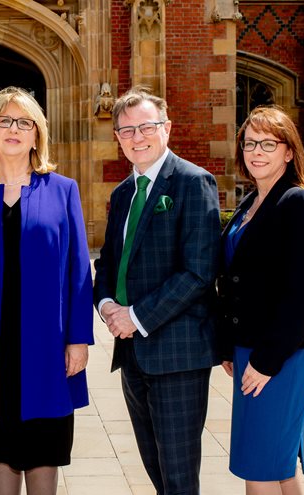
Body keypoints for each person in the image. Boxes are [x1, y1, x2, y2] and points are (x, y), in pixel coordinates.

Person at [0, 86, 94, 495]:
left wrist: (79, 339)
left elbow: (78, 270)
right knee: (0, 447)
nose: (14, 129)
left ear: (37, 135)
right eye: (4, 121)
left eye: (24, 122)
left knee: (44, 450)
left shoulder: (62, 190)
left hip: (48, 346)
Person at [93, 86, 221, 494]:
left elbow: (199, 272)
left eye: (146, 127)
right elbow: (109, 263)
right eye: (126, 130)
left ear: (166, 128)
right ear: (117, 137)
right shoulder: (122, 193)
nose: (137, 137)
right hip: (132, 355)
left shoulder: (192, 182)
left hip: (178, 354)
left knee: (180, 477)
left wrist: (136, 317)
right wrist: (108, 304)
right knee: (155, 469)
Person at [216, 106, 304, 494]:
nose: (257, 151)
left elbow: (302, 295)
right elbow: (236, 280)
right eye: (250, 143)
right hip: (251, 346)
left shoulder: (298, 202)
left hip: (283, 352)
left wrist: (266, 361)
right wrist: (230, 344)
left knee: (259, 463)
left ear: (289, 152)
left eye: (268, 143)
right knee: (276, 460)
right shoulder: (249, 203)